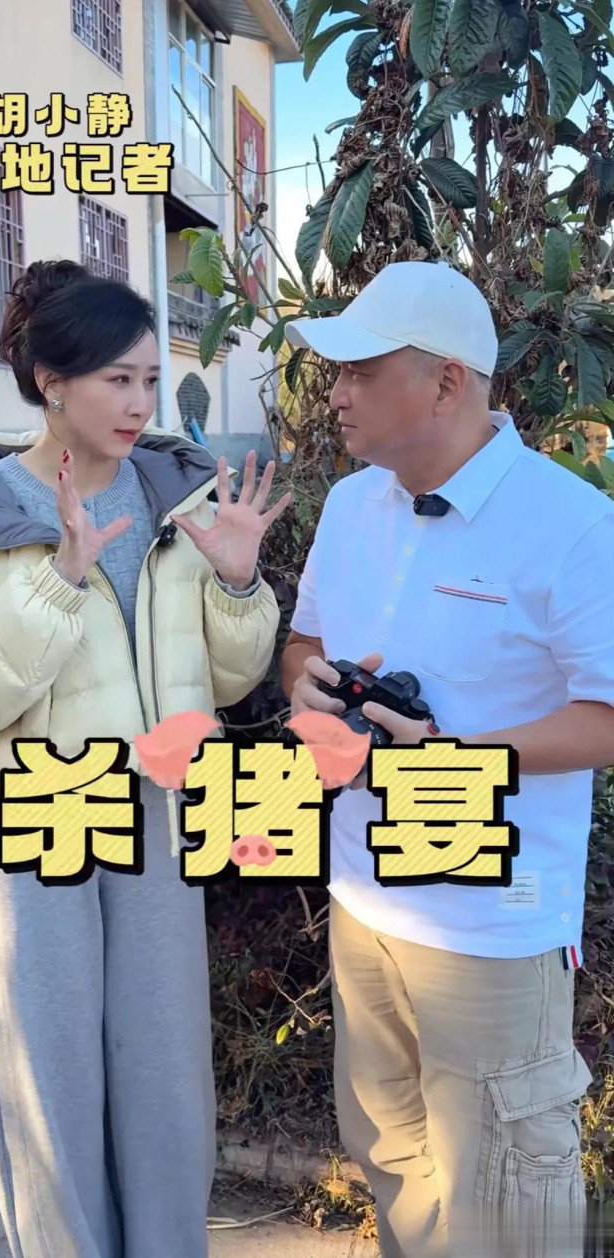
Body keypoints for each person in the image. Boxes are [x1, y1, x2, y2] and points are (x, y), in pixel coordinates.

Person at [0, 259, 286, 1258]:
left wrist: (237, 585)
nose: (140, 402)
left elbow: (228, 679)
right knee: (50, 1077)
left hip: (156, 808)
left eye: (151, 379)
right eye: (118, 379)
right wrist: (59, 579)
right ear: (50, 382)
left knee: (167, 1073)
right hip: (30, 812)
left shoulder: (178, 495)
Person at [280, 260, 614, 1258]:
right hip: (363, 897)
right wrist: (307, 685)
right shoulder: (350, 505)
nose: (336, 393)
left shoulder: (572, 524)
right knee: (392, 1158)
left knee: (505, 1195)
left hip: (492, 921)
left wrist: (454, 755)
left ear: (447, 383)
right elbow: (305, 643)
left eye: (360, 370)